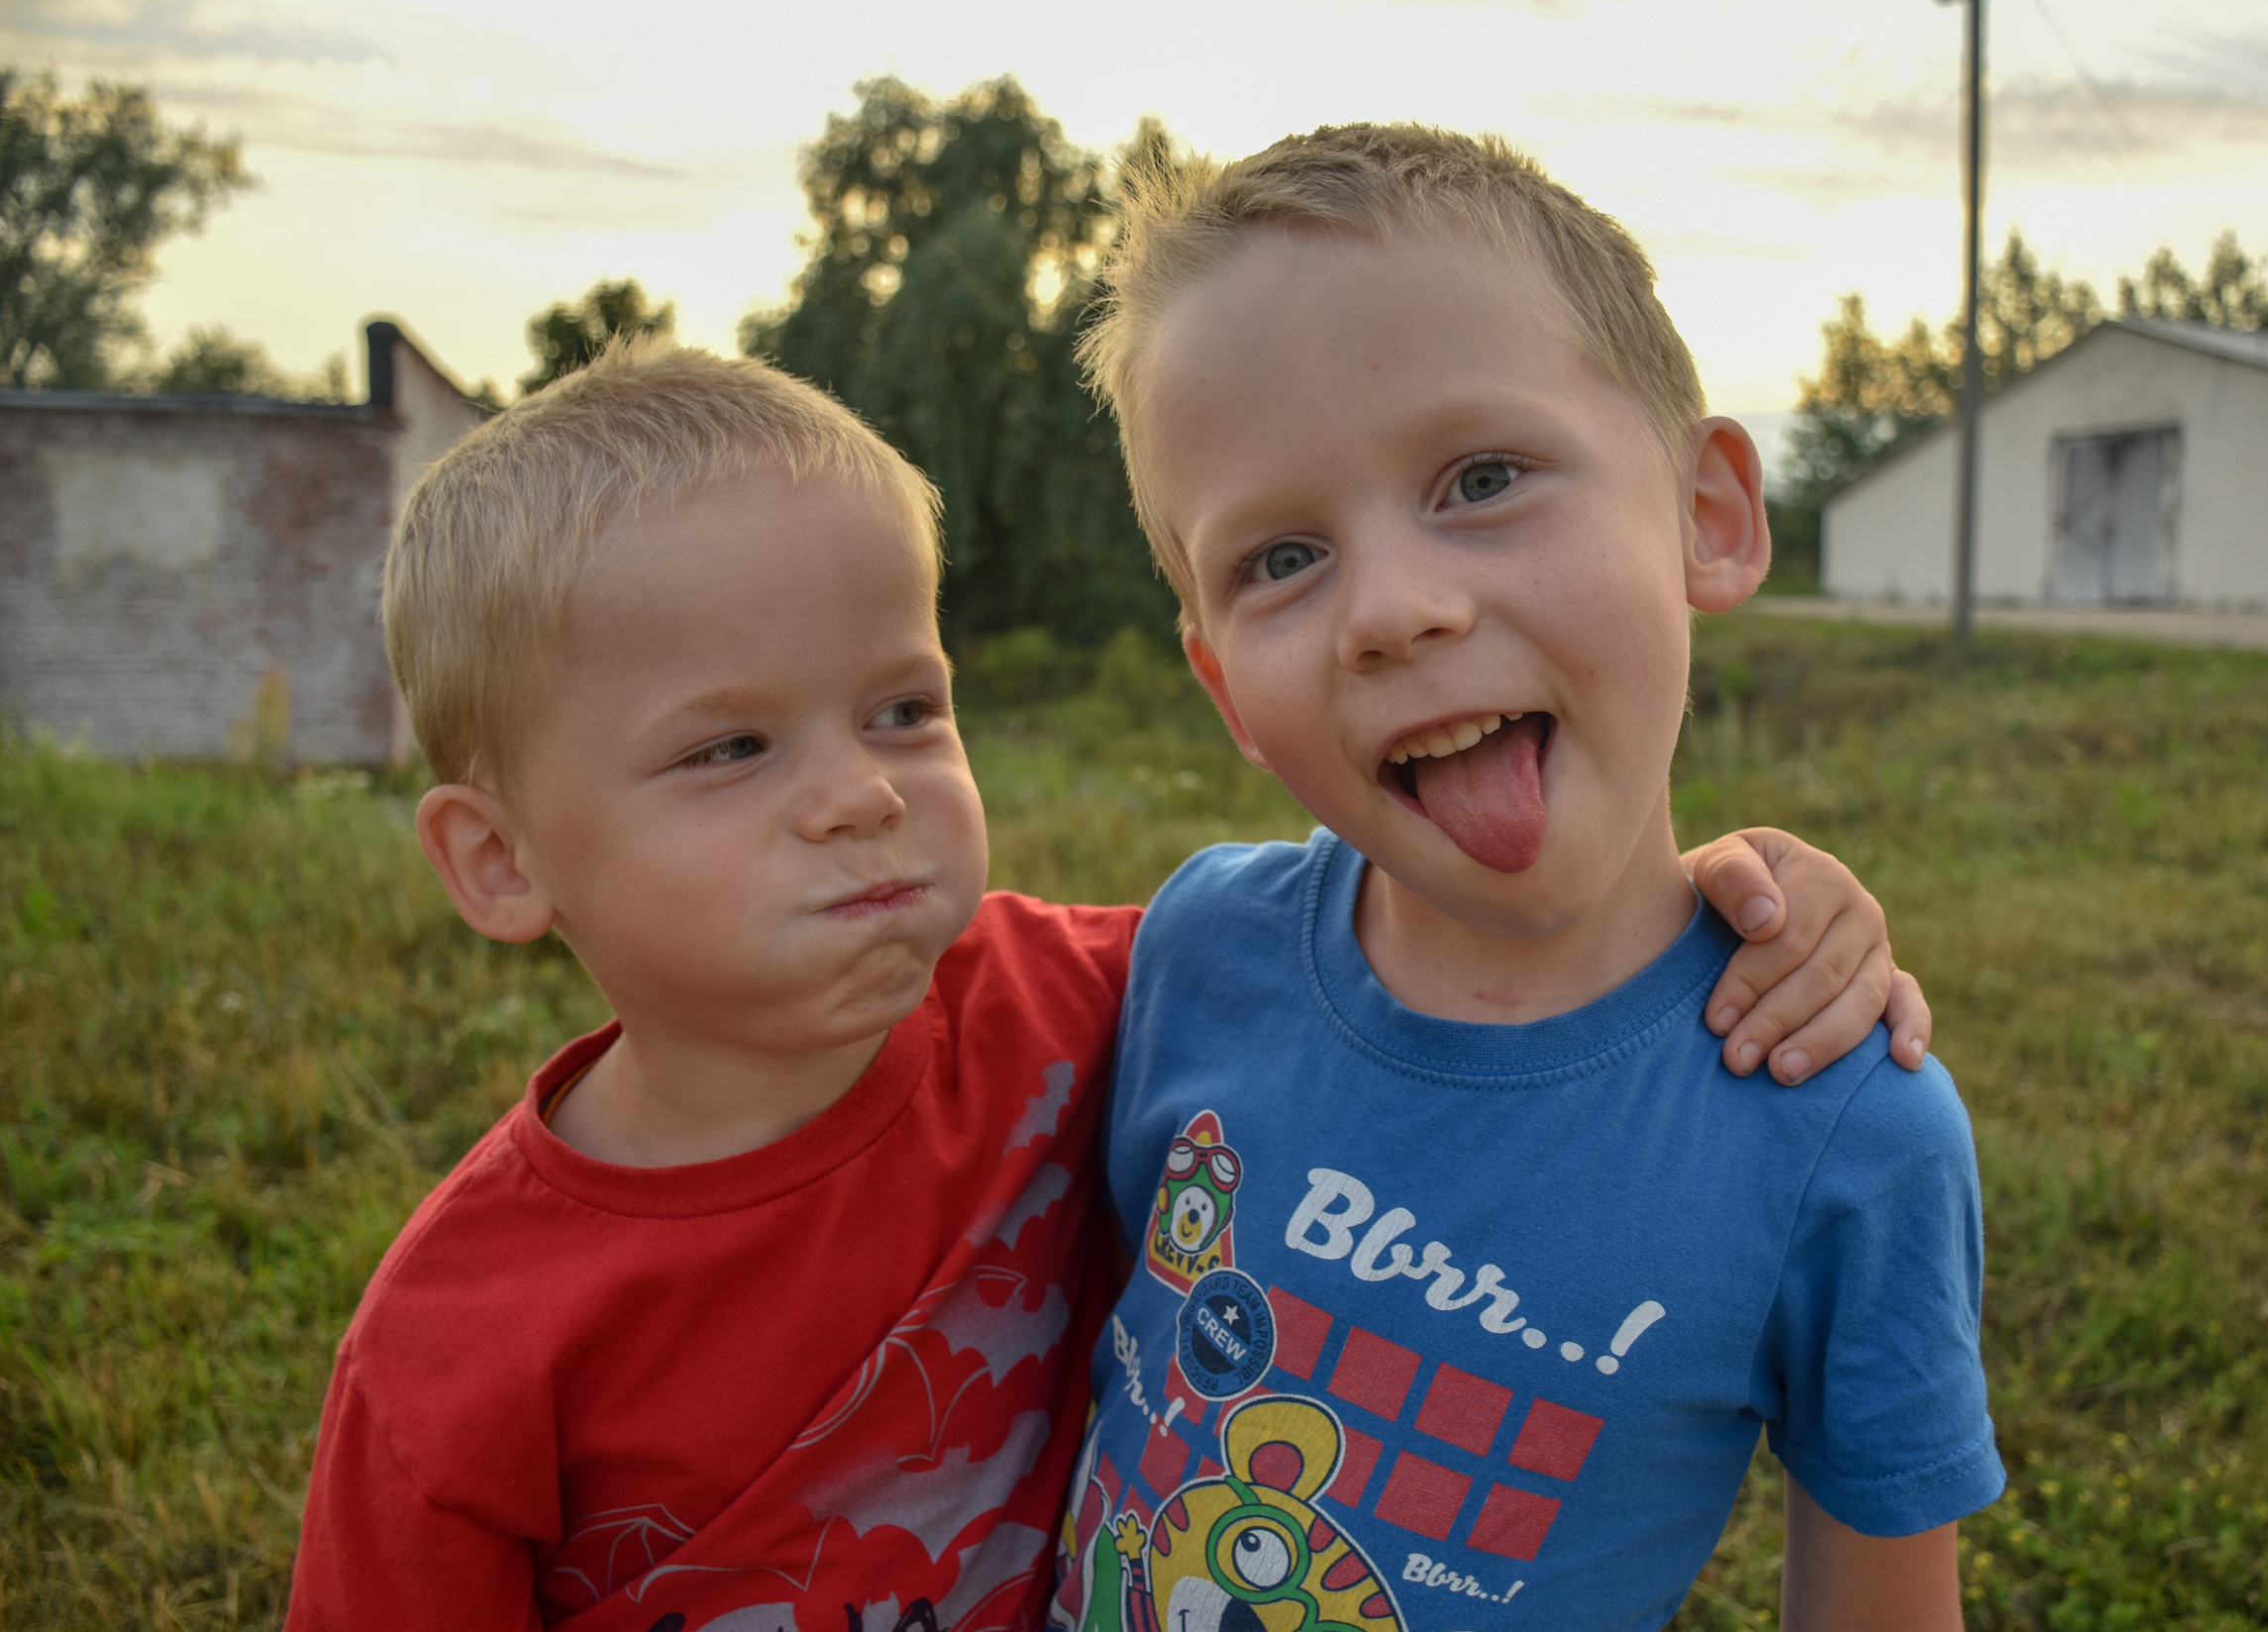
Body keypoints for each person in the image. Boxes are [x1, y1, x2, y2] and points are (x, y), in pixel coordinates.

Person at [284, 343, 1932, 1630]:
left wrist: (1759, 885)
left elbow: (1414, 928)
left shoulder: (1100, 1002)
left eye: (903, 711)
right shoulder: (456, 1353)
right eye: (729, 747)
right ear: (502, 861)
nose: (861, 792)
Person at [1051, 125, 2002, 1632]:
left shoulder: (1842, 1124)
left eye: (1482, 476)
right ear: (1226, 689)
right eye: (1281, 560)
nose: (1395, 610)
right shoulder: (1196, 951)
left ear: (1708, 515)